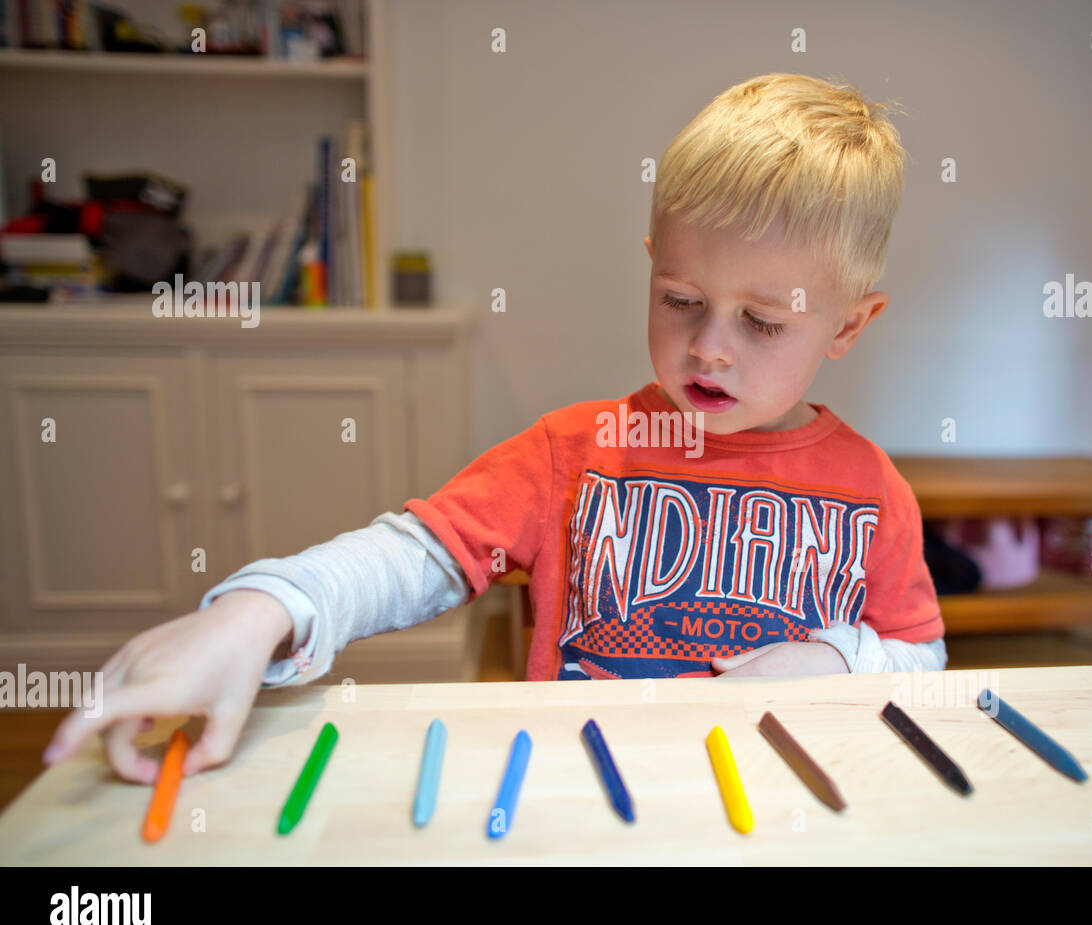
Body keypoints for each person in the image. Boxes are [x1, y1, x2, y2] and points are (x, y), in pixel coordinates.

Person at [43, 72, 945, 784]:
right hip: (584, 796)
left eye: (761, 322)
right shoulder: (571, 453)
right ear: (652, 269)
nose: (709, 348)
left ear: (849, 326)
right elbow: (420, 552)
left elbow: (921, 655)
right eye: (680, 300)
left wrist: (832, 659)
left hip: (798, 806)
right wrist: (264, 607)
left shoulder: (873, 488)